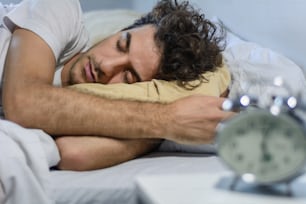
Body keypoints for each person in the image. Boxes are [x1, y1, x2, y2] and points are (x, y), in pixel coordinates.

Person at [0, 0, 233, 171]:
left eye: (129, 76)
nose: (107, 65)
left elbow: (75, 153)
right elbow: (24, 101)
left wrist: (160, 130)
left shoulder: (95, 110)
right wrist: (167, 120)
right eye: (121, 45)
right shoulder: (61, 8)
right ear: (118, 32)